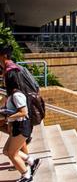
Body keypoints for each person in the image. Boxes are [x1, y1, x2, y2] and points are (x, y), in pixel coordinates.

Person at [0, 45, 40, 182]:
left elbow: (23, 112)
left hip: (22, 126)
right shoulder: (13, 94)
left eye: (4, 80)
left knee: (11, 153)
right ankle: (31, 161)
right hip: (18, 126)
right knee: (6, 151)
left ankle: (26, 176)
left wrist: (7, 116)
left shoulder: (17, 95)